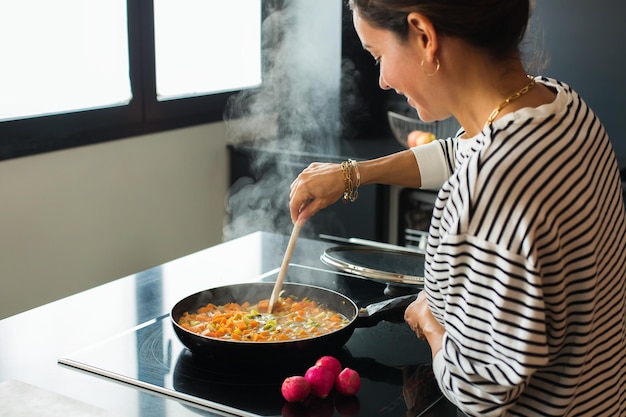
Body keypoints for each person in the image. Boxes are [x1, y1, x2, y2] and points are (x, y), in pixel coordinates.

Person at [288, 0, 626, 416]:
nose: (383, 80)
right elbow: (461, 151)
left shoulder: (488, 186)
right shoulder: (563, 107)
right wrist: (352, 174)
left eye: (378, 56)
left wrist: (430, 319)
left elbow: (478, 389)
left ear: (425, 37)